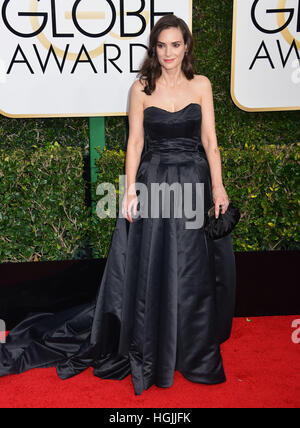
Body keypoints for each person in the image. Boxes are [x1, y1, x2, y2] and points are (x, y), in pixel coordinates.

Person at [0, 15, 236, 396]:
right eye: (162, 45)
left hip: (193, 182)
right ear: (154, 49)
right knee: (154, 263)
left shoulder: (203, 85)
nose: (169, 53)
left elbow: (210, 142)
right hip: (155, 180)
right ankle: (151, 342)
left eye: (176, 45)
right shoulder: (141, 88)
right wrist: (129, 191)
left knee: (190, 268)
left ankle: (191, 350)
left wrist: (219, 188)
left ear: (186, 46)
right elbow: (135, 143)